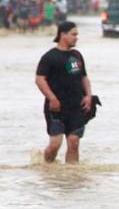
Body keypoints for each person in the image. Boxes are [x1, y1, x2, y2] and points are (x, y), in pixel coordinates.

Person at [35, 21, 94, 164]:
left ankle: (71, 174)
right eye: (73, 34)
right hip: (56, 107)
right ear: (63, 35)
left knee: (74, 142)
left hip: (76, 106)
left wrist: (88, 96)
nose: (76, 38)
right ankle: (46, 167)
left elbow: (84, 77)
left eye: (77, 35)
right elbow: (40, 79)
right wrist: (52, 98)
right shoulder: (49, 57)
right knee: (55, 144)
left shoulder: (77, 55)